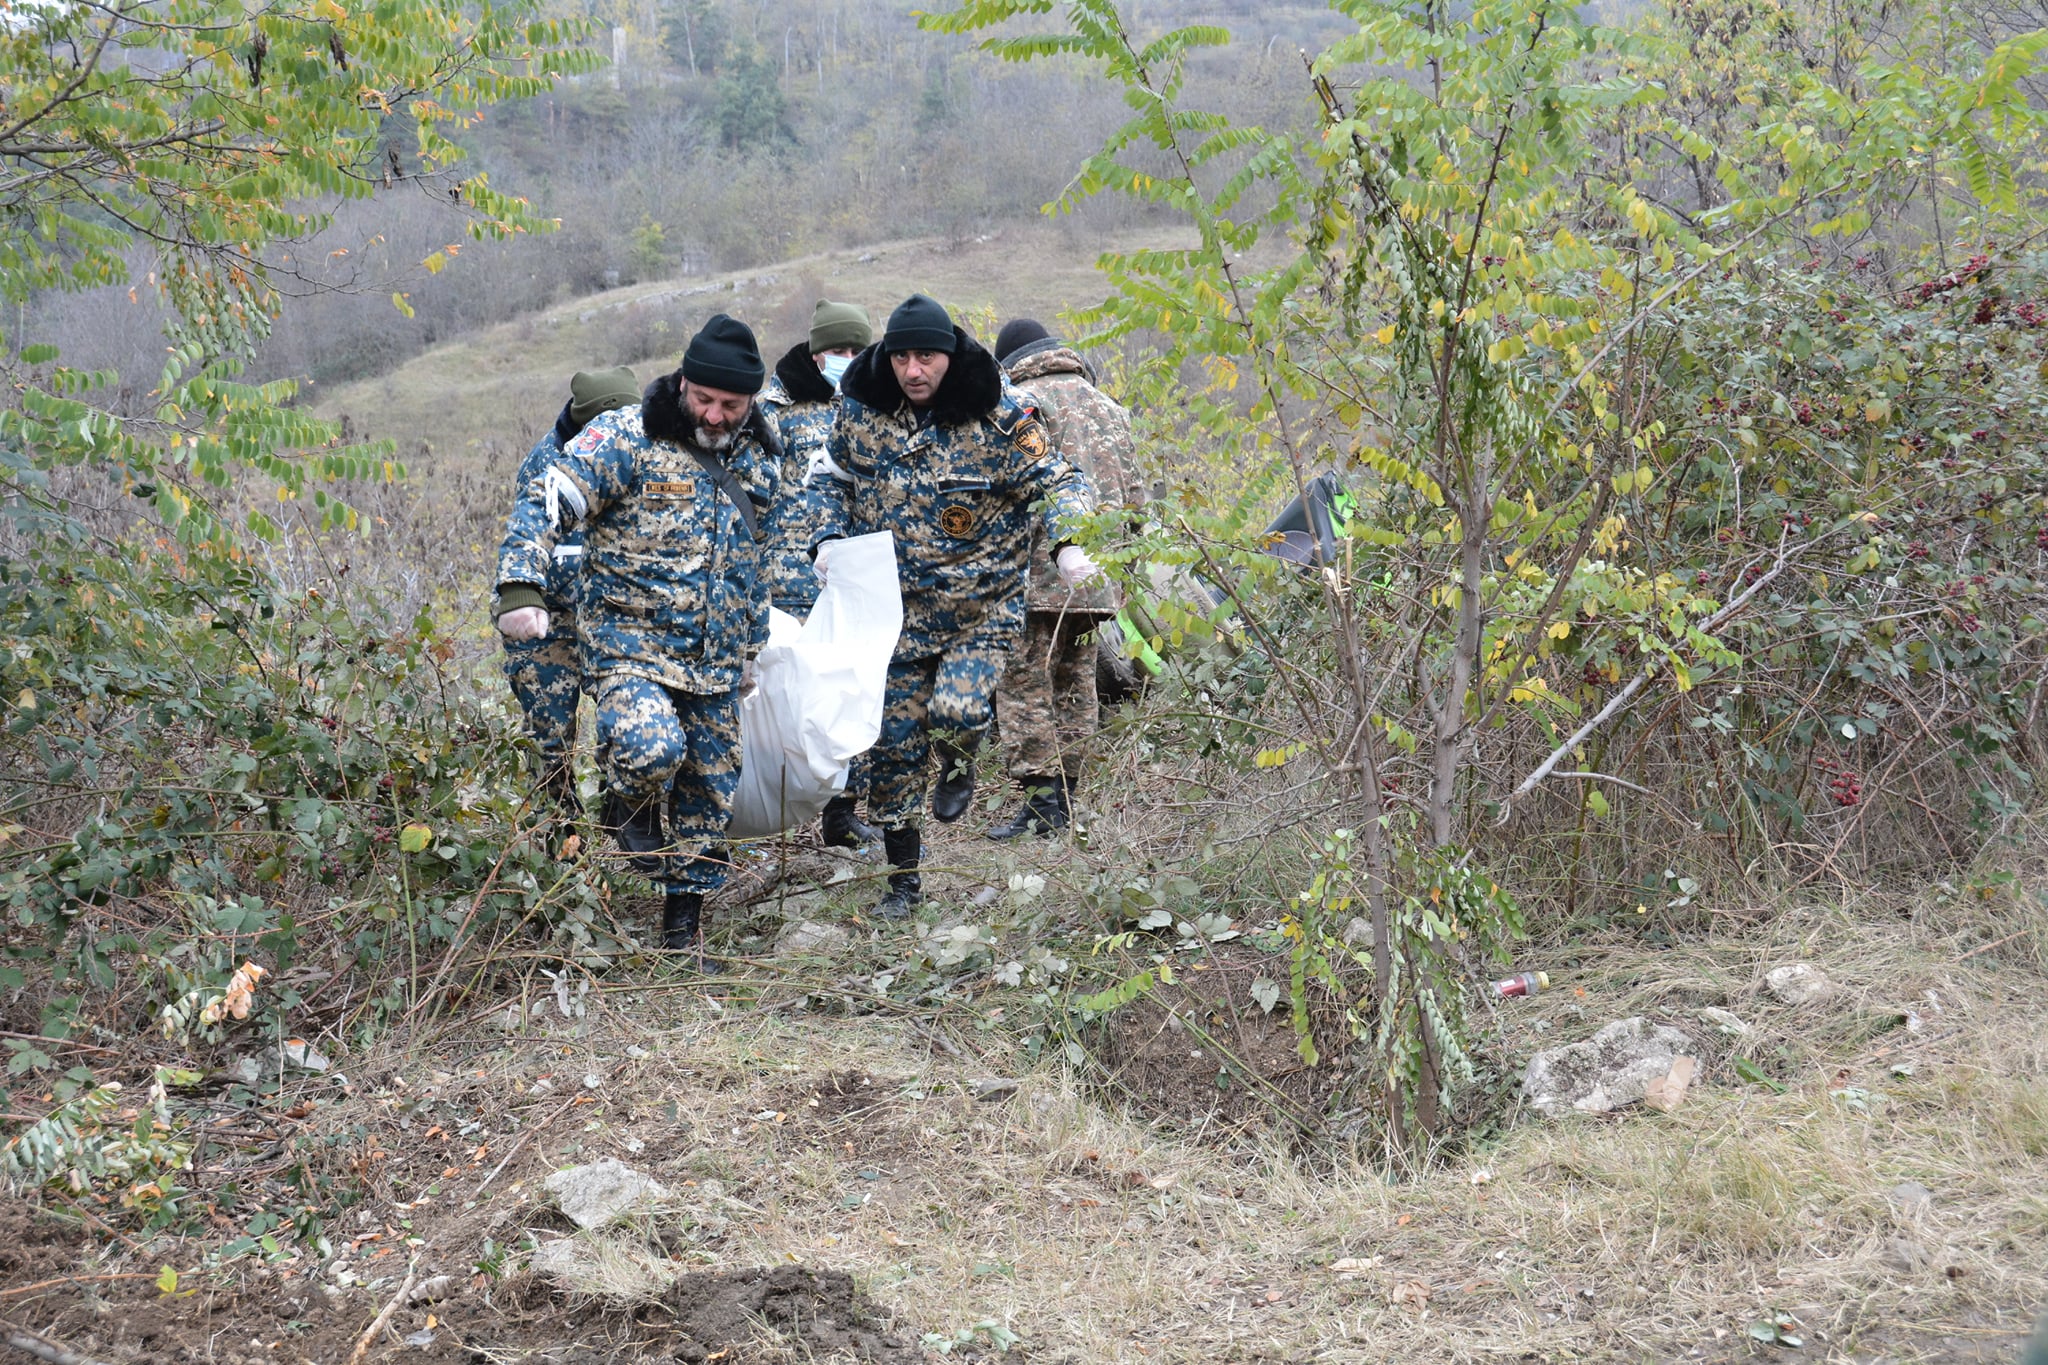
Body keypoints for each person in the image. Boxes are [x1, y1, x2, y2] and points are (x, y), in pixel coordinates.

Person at [494, 314, 779, 960]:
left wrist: (751, 648)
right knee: (651, 749)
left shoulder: (762, 458)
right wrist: (520, 585)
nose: (713, 415)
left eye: (730, 405)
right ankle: (628, 800)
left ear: (751, 401)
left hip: (715, 658)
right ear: (682, 383)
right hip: (630, 648)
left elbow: (755, 560)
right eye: (703, 399)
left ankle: (683, 927)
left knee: (711, 791)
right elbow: (549, 498)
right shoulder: (626, 436)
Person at [813, 294, 1100, 919]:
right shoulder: (862, 409)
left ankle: (959, 758)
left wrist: (1070, 544)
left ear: (948, 354)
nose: (913, 371)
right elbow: (829, 478)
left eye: (926, 358)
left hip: (981, 609)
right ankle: (903, 884)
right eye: (901, 358)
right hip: (894, 612)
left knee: (958, 711)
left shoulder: (1000, 412)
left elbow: (1060, 480)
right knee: (892, 747)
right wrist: (827, 537)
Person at [986, 319, 1142, 838]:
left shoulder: (1019, 404)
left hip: (1038, 572)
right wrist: (1122, 576)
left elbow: (1005, 490)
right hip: (1099, 575)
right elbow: (1137, 499)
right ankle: (1067, 800)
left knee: (1024, 682)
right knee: (1076, 680)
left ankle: (1041, 806)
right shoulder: (1110, 408)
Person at [756, 299, 883, 850]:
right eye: (837, 349)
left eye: (856, 349)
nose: (846, 358)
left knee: (850, 693)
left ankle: (842, 812)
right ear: (815, 353)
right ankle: (766, 805)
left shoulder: (871, 406)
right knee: (784, 699)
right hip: (785, 580)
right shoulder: (774, 410)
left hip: (850, 577)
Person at [498, 367, 639, 817]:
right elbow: (533, 537)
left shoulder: (644, 453)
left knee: (628, 724)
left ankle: (622, 819)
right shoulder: (547, 463)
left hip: (616, 617)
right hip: (550, 620)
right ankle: (560, 830)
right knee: (549, 736)